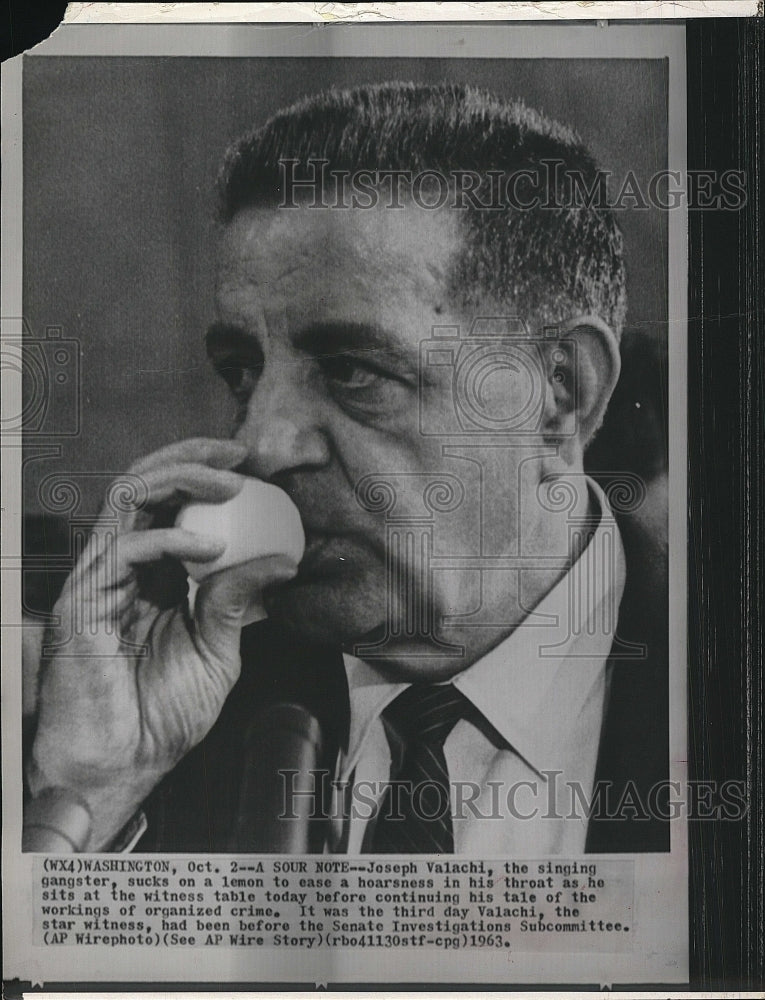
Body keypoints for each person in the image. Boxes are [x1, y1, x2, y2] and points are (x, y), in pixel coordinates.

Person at [24, 82, 668, 854]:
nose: (262, 443)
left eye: (353, 371)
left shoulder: (718, 686)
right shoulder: (181, 717)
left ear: (557, 394)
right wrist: (97, 795)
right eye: (242, 373)